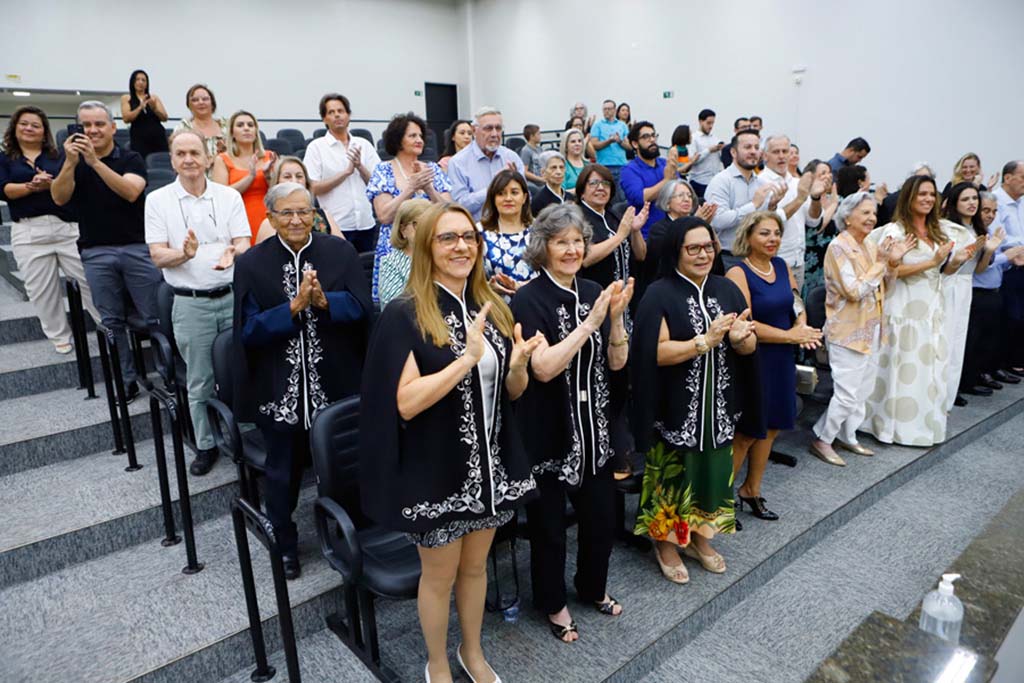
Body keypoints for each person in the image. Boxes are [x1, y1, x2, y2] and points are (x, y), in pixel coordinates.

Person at [359, 202, 540, 683]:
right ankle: (436, 662)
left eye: (468, 237)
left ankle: (472, 652)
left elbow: (512, 392)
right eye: (447, 238)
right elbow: (405, 403)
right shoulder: (406, 314)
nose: (462, 246)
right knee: (438, 578)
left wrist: (517, 364)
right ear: (426, 247)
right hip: (435, 470)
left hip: (490, 467)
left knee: (476, 569)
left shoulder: (493, 306)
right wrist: (464, 361)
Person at [233, 182, 371, 579]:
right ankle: (285, 544)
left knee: (345, 468)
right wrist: (292, 307)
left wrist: (326, 302)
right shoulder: (252, 263)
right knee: (282, 473)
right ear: (270, 217)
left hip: (337, 382)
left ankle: (353, 539)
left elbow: (363, 309)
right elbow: (248, 331)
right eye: (286, 213)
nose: (296, 220)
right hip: (280, 387)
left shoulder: (340, 253)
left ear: (315, 214)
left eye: (304, 212)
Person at [512, 203, 632, 638]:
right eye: (561, 242)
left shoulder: (593, 288)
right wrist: (590, 323)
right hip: (548, 431)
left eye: (577, 241)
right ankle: (554, 603)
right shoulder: (528, 298)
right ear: (543, 248)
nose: (571, 249)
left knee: (600, 522)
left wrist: (615, 320)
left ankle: (591, 589)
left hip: (594, 428)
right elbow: (543, 367)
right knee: (549, 531)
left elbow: (617, 362)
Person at [631, 217, 757, 577]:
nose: (703, 254)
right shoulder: (659, 292)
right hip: (676, 406)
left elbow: (747, 347)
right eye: (693, 248)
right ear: (676, 252)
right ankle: (667, 543)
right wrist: (704, 341)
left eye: (708, 247)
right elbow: (654, 352)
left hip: (718, 402)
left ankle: (702, 537)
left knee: (713, 471)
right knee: (672, 473)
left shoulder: (726, 290)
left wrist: (741, 339)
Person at [145, 130, 251, 476]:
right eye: (180, 153)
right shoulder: (158, 200)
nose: (188, 159)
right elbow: (158, 256)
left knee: (244, 370)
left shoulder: (228, 196)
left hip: (233, 298)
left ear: (208, 158)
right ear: (172, 159)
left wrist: (234, 251)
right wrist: (183, 254)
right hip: (191, 304)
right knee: (200, 380)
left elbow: (244, 242)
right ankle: (205, 445)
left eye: (195, 152)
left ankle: (247, 435)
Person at [51, 101, 161, 400]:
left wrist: (95, 162)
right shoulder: (69, 161)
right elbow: (59, 198)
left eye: (99, 124)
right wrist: (72, 164)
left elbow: (131, 192)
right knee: (112, 321)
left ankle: (167, 374)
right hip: (96, 251)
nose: (92, 130)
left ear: (113, 127)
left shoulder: (131, 158)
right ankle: (126, 381)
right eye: (85, 125)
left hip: (136, 247)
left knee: (154, 316)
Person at [863, 175, 976, 446]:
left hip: (931, 307)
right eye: (921, 194)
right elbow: (890, 272)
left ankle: (921, 426)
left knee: (928, 367)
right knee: (901, 366)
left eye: (931, 194)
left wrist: (955, 262)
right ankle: (890, 426)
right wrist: (932, 262)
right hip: (902, 307)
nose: (927, 199)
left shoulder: (939, 231)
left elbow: (942, 270)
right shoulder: (895, 232)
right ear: (909, 198)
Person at [727, 211, 822, 518]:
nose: (773, 239)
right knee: (745, 433)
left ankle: (751, 489)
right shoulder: (739, 273)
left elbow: (796, 302)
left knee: (771, 428)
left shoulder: (781, 266)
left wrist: (803, 327)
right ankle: (720, 499)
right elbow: (747, 322)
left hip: (782, 357)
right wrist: (790, 336)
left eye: (777, 234)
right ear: (749, 237)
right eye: (765, 233)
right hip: (755, 359)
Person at [810, 193, 914, 464]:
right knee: (846, 393)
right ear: (847, 217)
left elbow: (885, 288)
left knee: (863, 390)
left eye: (873, 213)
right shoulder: (838, 247)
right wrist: (882, 262)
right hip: (847, 330)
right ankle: (822, 439)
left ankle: (848, 435)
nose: (871, 218)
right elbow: (854, 291)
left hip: (872, 326)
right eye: (865, 213)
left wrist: (892, 263)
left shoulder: (870, 244)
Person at [0, 106, 98, 353]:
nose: (29, 128)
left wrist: (52, 184)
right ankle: (59, 336)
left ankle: (106, 326)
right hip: (29, 231)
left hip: (65, 228)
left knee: (89, 281)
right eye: (24, 123)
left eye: (35, 124)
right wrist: (32, 186)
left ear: (44, 131)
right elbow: (5, 190)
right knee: (42, 291)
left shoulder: (58, 156)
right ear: (14, 127)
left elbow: (71, 187)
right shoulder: (4, 159)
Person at [367, 112, 452, 303]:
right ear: (398, 140)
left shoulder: (433, 169)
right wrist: (411, 188)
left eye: (421, 135)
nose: (419, 140)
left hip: (432, 246)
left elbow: (449, 212)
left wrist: (428, 188)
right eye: (412, 135)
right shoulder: (383, 170)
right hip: (397, 250)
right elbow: (384, 215)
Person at [960, 191, 1024, 396]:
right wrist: (1005, 256)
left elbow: (995, 265)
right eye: (986, 210)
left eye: (994, 211)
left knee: (989, 339)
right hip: (977, 291)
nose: (990, 215)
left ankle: (984, 373)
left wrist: (1010, 261)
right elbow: (981, 265)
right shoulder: (973, 234)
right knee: (973, 340)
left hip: (994, 290)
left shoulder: (990, 231)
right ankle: (968, 381)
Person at [304, 93, 381, 252]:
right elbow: (312, 187)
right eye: (331, 112)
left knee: (366, 271)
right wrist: (346, 173)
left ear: (349, 115)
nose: (337, 115)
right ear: (324, 119)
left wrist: (360, 167)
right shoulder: (317, 147)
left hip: (366, 223)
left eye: (341, 111)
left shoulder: (364, 144)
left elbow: (378, 183)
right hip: (336, 226)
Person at [940, 183, 991, 408]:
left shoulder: (978, 228)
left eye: (974, 199)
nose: (972, 203)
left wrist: (988, 250)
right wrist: (969, 250)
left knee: (958, 343)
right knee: (945, 341)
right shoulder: (948, 229)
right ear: (954, 203)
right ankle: (937, 397)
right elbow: (947, 266)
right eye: (965, 199)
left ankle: (948, 399)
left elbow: (978, 270)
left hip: (966, 286)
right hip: (949, 284)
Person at [705, 128, 787, 268]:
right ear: (733, 152)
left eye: (756, 147)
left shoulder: (761, 183)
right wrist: (753, 205)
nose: (753, 151)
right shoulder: (721, 181)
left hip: (758, 256)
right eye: (747, 147)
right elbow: (718, 220)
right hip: (730, 258)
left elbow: (763, 224)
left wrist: (772, 206)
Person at [758, 134, 824, 291]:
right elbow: (770, 221)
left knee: (797, 311)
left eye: (785, 151)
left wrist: (815, 198)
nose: (781, 156)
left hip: (798, 261)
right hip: (773, 260)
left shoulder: (797, 183)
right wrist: (800, 199)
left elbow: (813, 221)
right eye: (776, 152)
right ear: (765, 156)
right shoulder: (760, 182)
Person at [637, 179, 717, 302]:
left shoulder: (699, 224)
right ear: (667, 202)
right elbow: (669, 256)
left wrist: (706, 225)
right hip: (668, 288)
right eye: (680, 196)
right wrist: (693, 223)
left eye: (689, 196)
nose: (687, 199)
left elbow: (717, 249)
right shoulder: (659, 229)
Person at [577, 164, 648, 289]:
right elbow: (585, 259)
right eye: (594, 183)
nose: (600, 188)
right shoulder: (576, 218)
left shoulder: (615, 215)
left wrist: (635, 231)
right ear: (582, 191)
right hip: (597, 295)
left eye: (606, 183)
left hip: (627, 295)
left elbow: (641, 255)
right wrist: (619, 236)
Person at [448, 106, 525, 220]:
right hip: (477, 232)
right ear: (474, 131)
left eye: (498, 128)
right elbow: (460, 207)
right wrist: (494, 185)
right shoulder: (458, 162)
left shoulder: (511, 157)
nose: (494, 134)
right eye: (488, 128)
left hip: (511, 228)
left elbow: (526, 198)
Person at [212, 110, 276, 242]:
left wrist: (269, 176)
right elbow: (221, 196)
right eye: (240, 125)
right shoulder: (222, 159)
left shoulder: (270, 157)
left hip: (268, 220)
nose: (246, 128)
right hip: (238, 221)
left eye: (250, 125)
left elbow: (280, 193)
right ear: (232, 133)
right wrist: (250, 176)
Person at [254, 156, 343, 243]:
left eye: (299, 176)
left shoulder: (324, 216)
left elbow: (343, 250)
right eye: (287, 176)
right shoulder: (270, 223)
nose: (294, 181)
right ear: (277, 182)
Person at [480, 169, 534, 296]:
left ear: (525, 197)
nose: (508, 198)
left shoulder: (539, 231)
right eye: (501, 194)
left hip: (535, 304)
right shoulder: (479, 232)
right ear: (493, 198)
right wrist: (487, 287)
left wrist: (519, 286)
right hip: (495, 306)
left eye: (514, 193)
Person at [620, 121, 677, 239]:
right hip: (647, 235)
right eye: (646, 137)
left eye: (653, 135)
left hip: (673, 230)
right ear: (635, 144)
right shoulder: (629, 170)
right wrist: (666, 181)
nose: (652, 140)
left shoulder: (664, 164)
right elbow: (639, 197)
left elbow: (678, 190)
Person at [994, 160, 1024, 378]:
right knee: (1010, 317)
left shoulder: (1021, 201)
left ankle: (1016, 359)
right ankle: (1004, 362)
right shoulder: (997, 202)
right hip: (1005, 268)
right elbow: (996, 236)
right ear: (1008, 178)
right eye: (1022, 177)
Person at [378, 198, 431, 308]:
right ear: (403, 230)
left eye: (429, 224)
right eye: (417, 224)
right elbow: (393, 306)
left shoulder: (440, 257)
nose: (424, 230)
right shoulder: (391, 262)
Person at [801, 160, 841, 300]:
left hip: (830, 260)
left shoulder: (835, 198)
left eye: (829, 173)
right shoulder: (806, 199)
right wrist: (833, 206)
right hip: (812, 260)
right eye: (822, 173)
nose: (827, 176)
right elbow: (815, 229)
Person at [120, 69, 168, 159]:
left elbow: (164, 117)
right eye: (137, 80)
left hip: (157, 136)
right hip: (139, 137)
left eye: (143, 80)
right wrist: (140, 108)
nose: (140, 82)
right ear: (133, 82)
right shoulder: (126, 98)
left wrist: (154, 109)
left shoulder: (153, 98)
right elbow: (126, 118)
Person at [174, 84, 227, 161]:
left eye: (205, 99)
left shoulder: (227, 126)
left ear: (212, 103)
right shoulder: (182, 128)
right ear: (189, 105)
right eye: (195, 100)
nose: (201, 102)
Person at [589, 100, 630, 188]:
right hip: (604, 166)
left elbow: (629, 147)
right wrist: (609, 141)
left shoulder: (622, 125)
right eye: (604, 109)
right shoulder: (597, 125)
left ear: (615, 110)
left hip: (621, 165)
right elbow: (595, 145)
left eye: (609, 109)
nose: (606, 111)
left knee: (621, 196)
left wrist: (619, 141)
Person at [689, 109, 725, 199]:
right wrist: (708, 150)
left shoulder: (714, 138)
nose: (711, 126)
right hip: (699, 181)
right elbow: (691, 160)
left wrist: (722, 150)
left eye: (713, 123)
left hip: (714, 181)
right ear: (701, 121)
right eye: (708, 123)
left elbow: (720, 159)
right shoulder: (693, 138)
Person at [530, 150, 568, 215]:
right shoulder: (538, 201)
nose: (559, 172)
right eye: (553, 168)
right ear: (543, 173)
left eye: (561, 167)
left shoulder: (571, 198)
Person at [560, 128, 588, 194]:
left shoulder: (589, 164)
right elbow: (560, 192)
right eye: (573, 141)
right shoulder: (561, 166)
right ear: (566, 146)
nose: (577, 144)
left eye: (579, 141)